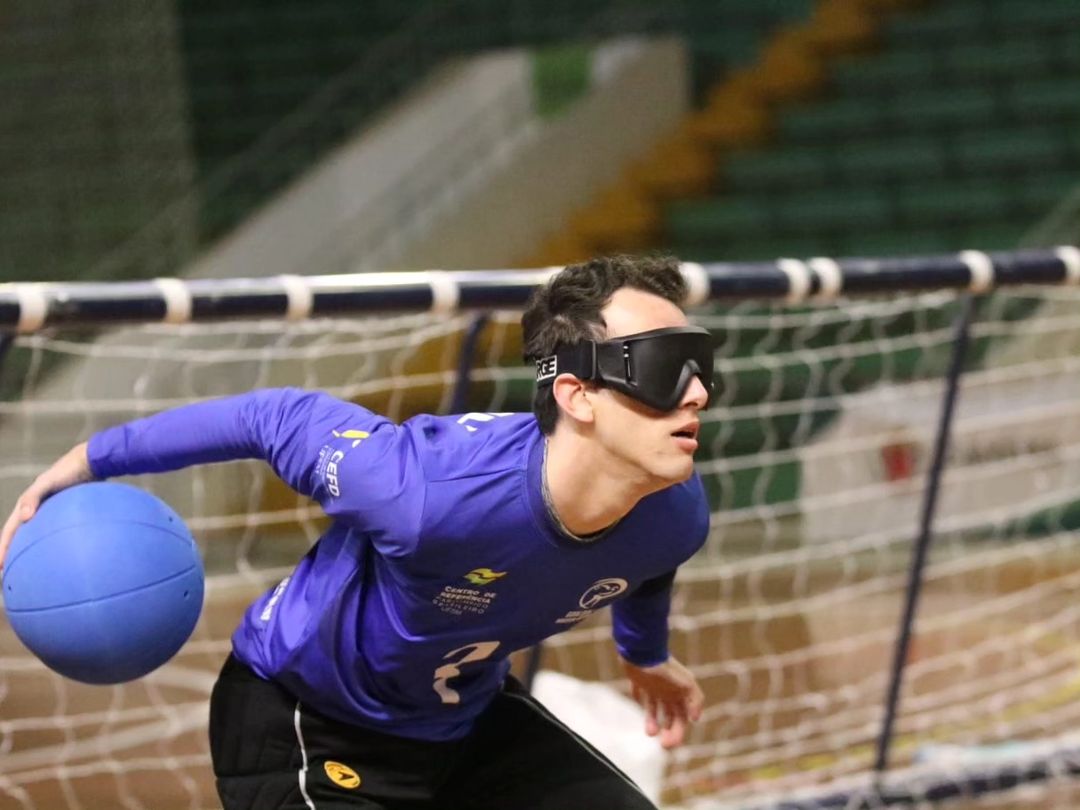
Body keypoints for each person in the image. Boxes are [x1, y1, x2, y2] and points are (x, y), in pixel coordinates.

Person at [0, 255, 713, 810]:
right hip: (304, 721)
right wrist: (90, 458)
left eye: (700, 364)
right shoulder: (423, 491)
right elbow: (271, 417)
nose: (697, 393)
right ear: (575, 395)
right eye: (659, 368)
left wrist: (643, 654)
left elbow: (646, 563)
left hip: (460, 722)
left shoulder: (675, 510)